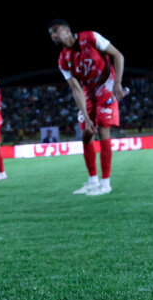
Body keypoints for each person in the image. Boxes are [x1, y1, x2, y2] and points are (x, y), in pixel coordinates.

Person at [47, 19, 125, 195]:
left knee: (103, 131)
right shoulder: (63, 60)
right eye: (51, 34)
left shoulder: (90, 37)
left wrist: (117, 83)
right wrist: (86, 116)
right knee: (86, 134)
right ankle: (93, 180)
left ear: (67, 30)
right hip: (88, 91)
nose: (53, 35)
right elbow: (76, 89)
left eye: (56, 30)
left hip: (106, 84)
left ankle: (105, 184)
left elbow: (118, 56)